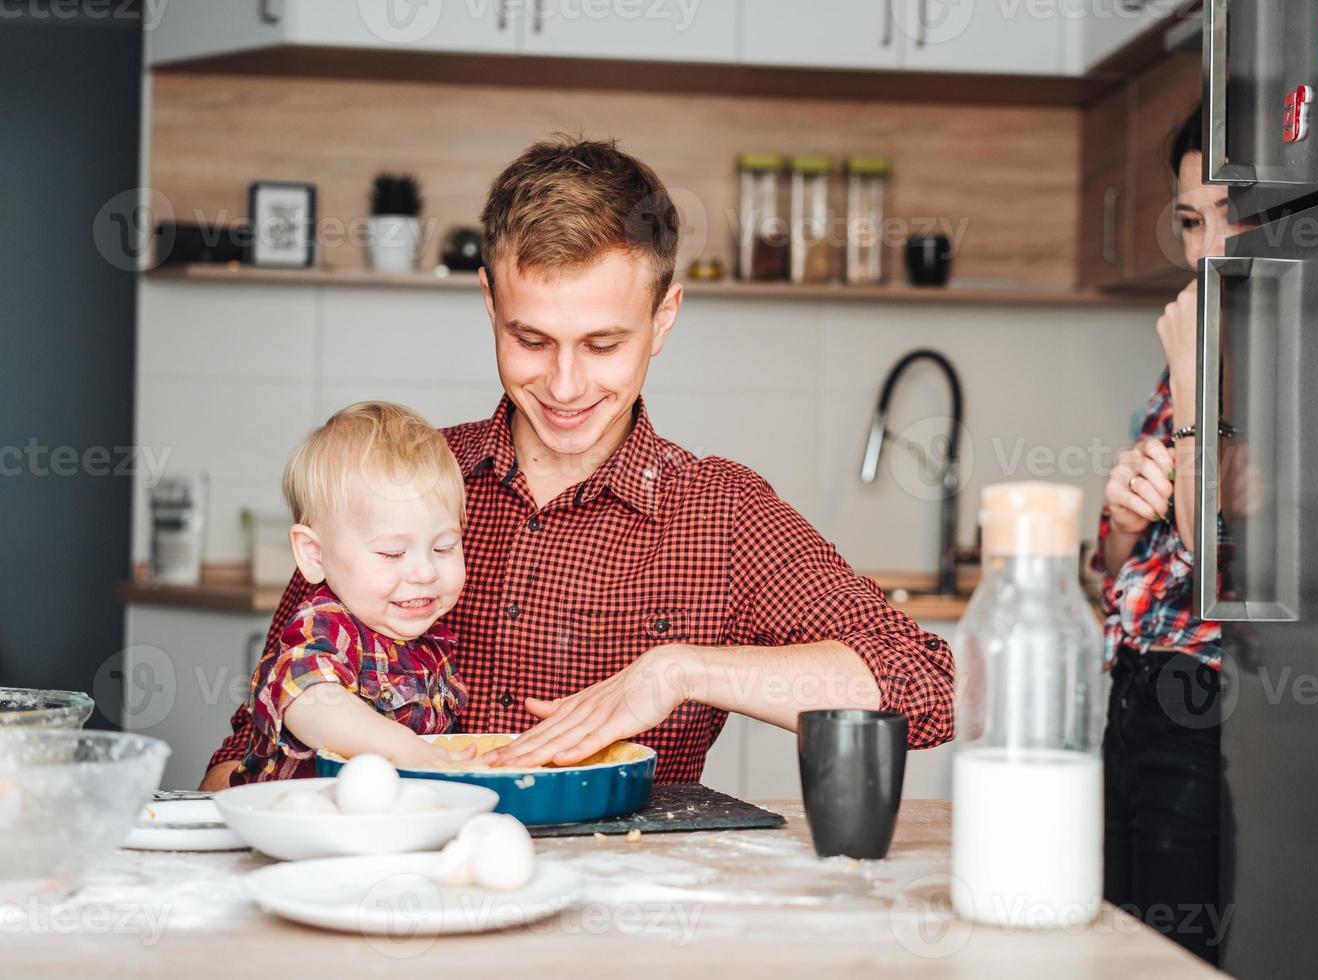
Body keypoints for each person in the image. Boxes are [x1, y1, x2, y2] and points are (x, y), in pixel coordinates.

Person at [200, 136, 955, 790]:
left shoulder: (720, 514)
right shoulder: (394, 482)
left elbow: (926, 686)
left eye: (602, 345)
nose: (564, 386)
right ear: (489, 303)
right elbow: (249, 747)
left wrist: (679, 671)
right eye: (531, 341)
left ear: (663, 319)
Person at [1094, 105, 1252, 965]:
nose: (1206, 248)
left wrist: (1195, 366)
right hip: (1135, 693)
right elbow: (1119, 566)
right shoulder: (1195, 345)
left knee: (1173, 957)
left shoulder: (1279, 350)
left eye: (1232, 213)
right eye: (1193, 221)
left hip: (1209, 705)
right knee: (1120, 948)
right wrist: (1118, 519)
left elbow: (1215, 551)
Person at [234, 401, 477, 783]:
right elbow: (307, 698)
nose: (425, 572)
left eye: (445, 546)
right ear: (315, 554)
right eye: (392, 553)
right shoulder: (328, 626)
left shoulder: (430, 643)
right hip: (303, 828)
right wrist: (401, 747)